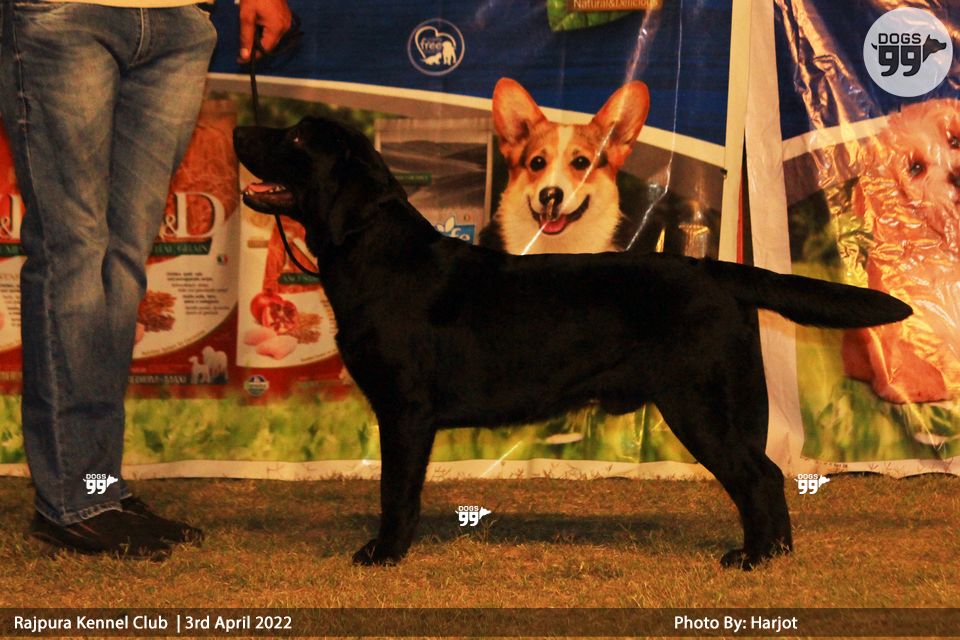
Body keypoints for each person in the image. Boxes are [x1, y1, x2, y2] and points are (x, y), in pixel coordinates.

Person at [0, 0, 292, 559]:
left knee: (124, 258)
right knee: (74, 252)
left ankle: (98, 489)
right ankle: (72, 501)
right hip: (65, 12)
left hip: (178, 19)